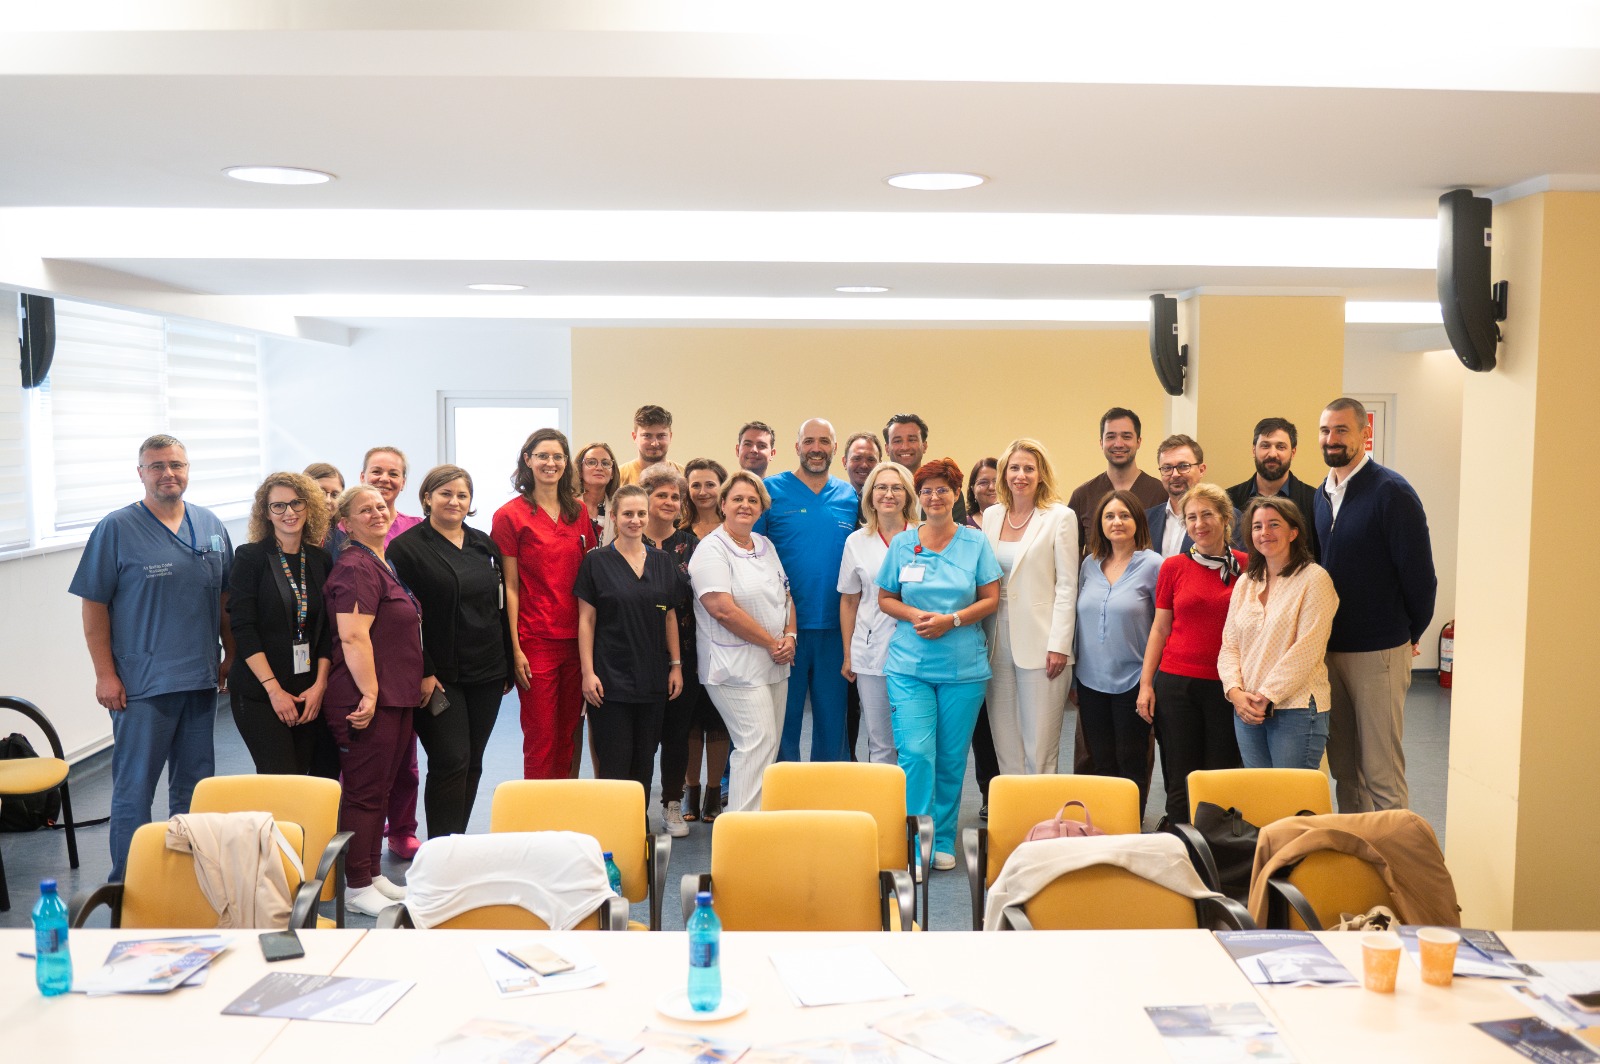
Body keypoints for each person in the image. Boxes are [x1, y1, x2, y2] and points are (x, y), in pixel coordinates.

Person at [70, 434, 234, 882]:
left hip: (200, 679)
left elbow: (226, 599)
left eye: (176, 465)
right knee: (135, 789)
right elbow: (93, 607)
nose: (168, 473)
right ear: (140, 473)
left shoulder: (210, 524)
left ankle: (188, 880)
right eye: (157, 466)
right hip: (142, 684)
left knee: (195, 788)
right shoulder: (116, 529)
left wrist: (231, 654)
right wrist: (105, 675)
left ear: (188, 469)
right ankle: (128, 885)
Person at [1313, 397, 1436, 812]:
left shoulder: (1391, 492)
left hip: (1379, 651)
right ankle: (1357, 847)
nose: (1332, 439)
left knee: (1381, 772)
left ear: (1365, 434)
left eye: (1342, 430)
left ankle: (1394, 851)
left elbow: (1420, 577)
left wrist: (1408, 634)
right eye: (1325, 430)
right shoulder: (1322, 495)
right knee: (1345, 769)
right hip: (1330, 650)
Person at [878, 458, 1001, 870]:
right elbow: (885, 597)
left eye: (942, 490)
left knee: (950, 758)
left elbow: (991, 598)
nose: (934, 497)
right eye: (927, 491)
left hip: (963, 669)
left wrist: (954, 620)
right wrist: (914, 614)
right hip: (909, 667)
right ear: (919, 497)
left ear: (955, 495)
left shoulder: (975, 542)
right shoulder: (902, 544)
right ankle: (917, 841)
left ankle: (943, 838)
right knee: (916, 753)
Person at [387, 465, 513, 838]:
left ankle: (456, 845)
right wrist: (424, 670)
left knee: (472, 762)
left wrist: (507, 662)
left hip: (487, 670)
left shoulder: (482, 544)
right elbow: (403, 618)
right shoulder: (406, 549)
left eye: (462, 495)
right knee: (450, 759)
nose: (454, 501)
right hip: (437, 675)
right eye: (445, 493)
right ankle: (440, 850)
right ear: (427, 497)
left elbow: (500, 605)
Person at [322, 484, 426, 916]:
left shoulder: (380, 561)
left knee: (382, 789)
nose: (377, 513)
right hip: (366, 698)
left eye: (381, 506)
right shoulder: (353, 568)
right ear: (346, 523)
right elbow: (352, 635)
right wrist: (368, 691)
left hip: (394, 695)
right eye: (365, 510)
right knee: (364, 794)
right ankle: (356, 884)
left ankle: (373, 873)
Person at [1137, 483, 1246, 825]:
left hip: (1226, 686)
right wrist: (1146, 684)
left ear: (1225, 518)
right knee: (1179, 773)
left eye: (1207, 515)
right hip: (1176, 684)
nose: (1199, 524)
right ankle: (1179, 838)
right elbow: (1159, 629)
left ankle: (1216, 842)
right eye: (1191, 517)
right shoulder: (1173, 567)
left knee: (1220, 772)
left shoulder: (1247, 566)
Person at [687, 471, 795, 812]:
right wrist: (772, 643)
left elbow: (786, 595)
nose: (745, 505)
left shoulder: (765, 545)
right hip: (733, 666)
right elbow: (722, 609)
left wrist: (790, 636)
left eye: (752, 500)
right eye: (737, 499)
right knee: (755, 742)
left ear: (761, 507)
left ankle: (757, 825)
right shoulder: (711, 549)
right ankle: (741, 829)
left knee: (769, 745)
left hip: (773, 662)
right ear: (723, 505)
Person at [755, 418, 858, 762]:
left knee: (832, 721)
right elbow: (752, 551)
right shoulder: (771, 491)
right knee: (783, 720)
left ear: (834, 448)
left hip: (836, 627)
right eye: (809, 441)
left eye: (824, 441)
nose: (816, 448)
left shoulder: (849, 496)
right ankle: (785, 790)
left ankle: (828, 790)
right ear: (797, 447)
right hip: (785, 628)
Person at [493, 428, 593, 780]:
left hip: (576, 640)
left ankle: (561, 808)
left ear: (566, 463)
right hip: (535, 641)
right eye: (543, 456)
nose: (551, 463)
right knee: (541, 737)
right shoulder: (509, 516)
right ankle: (535, 811)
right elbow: (510, 587)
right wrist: (515, 648)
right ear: (528, 460)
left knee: (568, 735)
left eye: (558, 457)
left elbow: (587, 580)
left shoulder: (578, 512)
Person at [576, 483, 683, 799]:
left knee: (644, 763)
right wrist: (587, 673)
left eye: (641, 514)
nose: (635, 520)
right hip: (610, 679)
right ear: (614, 517)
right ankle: (614, 827)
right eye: (627, 514)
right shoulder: (596, 562)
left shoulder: (662, 561)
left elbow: (670, 616)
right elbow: (586, 620)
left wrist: (676, 665)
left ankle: (639, 826)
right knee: (614, 762)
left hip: (652, 678)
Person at [980, 438, 1079, 775]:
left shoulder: (1060, 517)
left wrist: (1060, 644)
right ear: (1003, 474)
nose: (1020, 475)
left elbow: (1067, 586)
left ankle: (1042, 808)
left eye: (1028, 469)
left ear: (1041, 474)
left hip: (1043, 641)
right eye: (1014, 468)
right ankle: (1013, 806)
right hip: (995, 638)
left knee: (1040, 748)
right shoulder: (992, 516)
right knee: (1006, 745)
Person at [1219, 498, 1339, 770]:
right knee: (1259, 793)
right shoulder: (1246, 582)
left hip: (1296, 710)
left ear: (1293, 532)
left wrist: (1266, 696)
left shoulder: (1314, 579)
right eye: (1257, 526)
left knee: (1291, 794)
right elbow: (1229, 645)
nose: (1265, 533)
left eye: (1274, 524)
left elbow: (1307, 650)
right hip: (1247, 710)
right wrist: (1235, 692)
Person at [227, 472, 334, 776]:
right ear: (266, 512)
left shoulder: (320, 559)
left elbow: (326, 630)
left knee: (302, 778)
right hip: (260, 691)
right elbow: (243, 628)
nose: (289, 512)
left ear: (309, 507)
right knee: (280, 778)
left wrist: (320, 685)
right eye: (279, 506)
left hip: (307, 690)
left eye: (297, 503)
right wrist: (274, 690)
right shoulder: (250, 557)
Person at [1075, 490, 1162, 818]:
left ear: (1137, 520)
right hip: (1090, 680)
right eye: (1109, 516)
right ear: (1100, 523)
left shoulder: (1153, 565)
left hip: (1133, 680)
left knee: (1131, 761)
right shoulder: (1089, 564)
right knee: (1101, 761)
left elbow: (1163, 626)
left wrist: (1149, 683)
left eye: (1125, 515)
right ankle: (1105, 827)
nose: (1117, 522)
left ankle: (1129, 827)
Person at [358, 445, 423, 858]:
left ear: (403, 482)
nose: (385, 479)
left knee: (404, 754)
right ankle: (364, 829)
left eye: (393, 473)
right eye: (377, 472)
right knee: (364, 751)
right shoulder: (345, 527)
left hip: (405, 656)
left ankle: (401, 828)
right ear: (362, 476)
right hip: (360, 651)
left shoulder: (417, 529)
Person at [838, 460, 918, 765]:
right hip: (871, 651)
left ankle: (914, 797)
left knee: (914, 741)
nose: (889, 494)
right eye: (881, 487)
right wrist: (848, 654)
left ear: (908, 495)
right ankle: (884, 797)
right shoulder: (856, 542)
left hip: (919, 649)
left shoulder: (924, 536)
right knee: (881, 742)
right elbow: (849, 601)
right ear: (870, 495)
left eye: (897, 488)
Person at [639, 464, 701, 836]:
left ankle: (672, 804)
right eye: (660, 494)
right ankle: (637, 808)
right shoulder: (629, 541)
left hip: (686, 653)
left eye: (675, 496)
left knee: (678, 733)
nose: (668, 501)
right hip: (639, 653)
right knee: (643, 737)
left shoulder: (692, 546)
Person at [678, 458, 731, 822]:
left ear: (721, 489)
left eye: (710, 484)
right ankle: (690, 789)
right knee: (690, 720)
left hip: (723, 636)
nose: (702, 491)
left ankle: (714, 791)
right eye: (695, 485)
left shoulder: (733, 532)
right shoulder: (679, 533)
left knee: (718, 719)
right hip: (683, 638)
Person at [1066, 407, 1167, 556]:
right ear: (1101, 442)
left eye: (1126, 436)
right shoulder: (1082, 496)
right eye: (1110, 437)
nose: (1118, 444)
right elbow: (1070, 553)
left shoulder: (1160, 493)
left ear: (1139, 441)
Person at [1225, 417, 1321, 561]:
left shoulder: (1315, 500)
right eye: (1265, 446)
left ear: (1293, 452)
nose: (1272, 454)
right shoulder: (1228, 501)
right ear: (1254, 450)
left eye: (1281, 447)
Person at [963, 456, 1001, 817]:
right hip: (971, 631)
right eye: (982, 481)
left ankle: (1015, 790)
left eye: (995, 480)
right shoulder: (962, 528)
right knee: (981, 720)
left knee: (1010, 715)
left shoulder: (1018, 523)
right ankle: (990, 790)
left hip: (1009, 629)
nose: (989, 487)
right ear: (972, 489)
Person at [883, 412, 967, 523]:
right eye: (897, 441)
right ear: (887, 448)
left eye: (912, 440)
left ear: (924, 446)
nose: (905, 447)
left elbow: (955, 531)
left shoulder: (947, 488)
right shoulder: (874, 492)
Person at [616, 404, 681, 486]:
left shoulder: (683, 475)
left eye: (661, 436)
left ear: (670, 436)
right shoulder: (618, 477)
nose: (655, 443)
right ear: (634, 437)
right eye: (647, 436)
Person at [574, 441, 621, 548]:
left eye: (605, 463)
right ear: (580, 470)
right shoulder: (566, 506)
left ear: (612, 473)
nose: (599, 468)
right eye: (591, 462)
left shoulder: (619, 509)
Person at [303, 462, 347, 556]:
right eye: (321, 492)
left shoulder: (343, 541)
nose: (328, 500)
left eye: (334, 495)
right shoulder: (288, 531)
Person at [965, 459, 999, 528]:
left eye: (997, 481)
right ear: (973, 489)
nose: (992, 487)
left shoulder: (1017, 522)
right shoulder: (964, 526)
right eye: (983, 482)